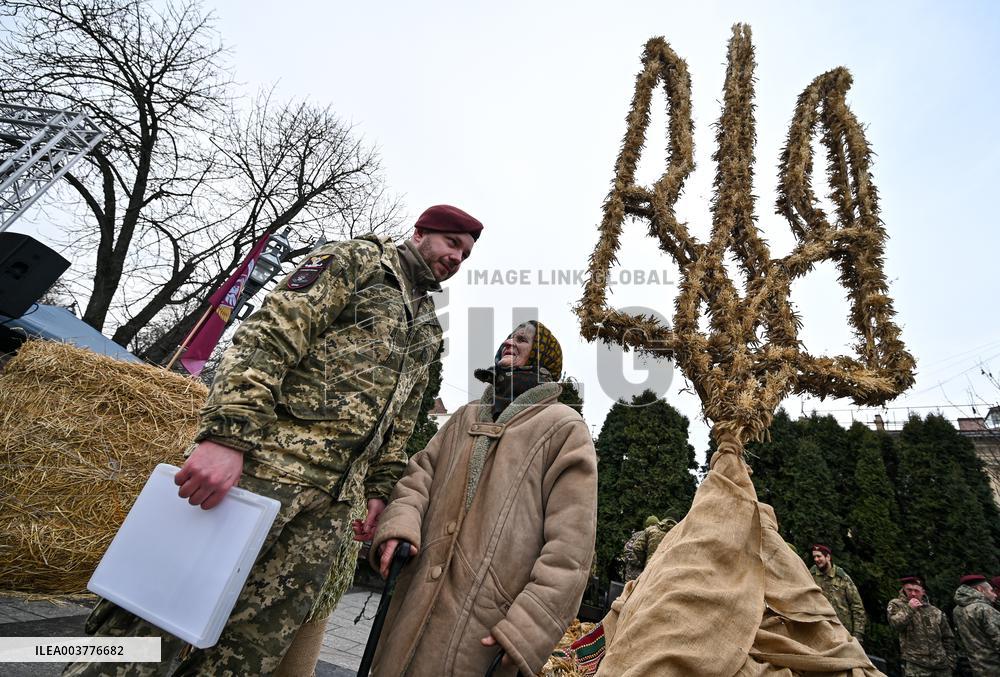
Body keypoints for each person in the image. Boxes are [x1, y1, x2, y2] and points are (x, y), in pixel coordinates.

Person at [64, 205, 482, 677]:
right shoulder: (357, 262)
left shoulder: (425, 322)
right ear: (422, 232)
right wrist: (227, 436)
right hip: (263, 470)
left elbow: (403, 414)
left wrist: (378, 489)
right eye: (452, 244)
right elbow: (270, 337)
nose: (456, 259)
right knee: (151, 622)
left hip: (328, 507)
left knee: (249, 650)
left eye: (464, 254)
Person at [367, 320, 598, 676]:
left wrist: (528, 627)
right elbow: (418, 477)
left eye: (522, 339)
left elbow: (571, 550)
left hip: (487, 627)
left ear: (543, 358)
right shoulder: (464, 417)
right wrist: (401, 525)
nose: (509, 342)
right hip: (413, 605)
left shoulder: (564, 428)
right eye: (508, 336)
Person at [886, 575, 956, 676]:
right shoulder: (897, 604)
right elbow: (895, 624)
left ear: (923, 591)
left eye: (916, 590)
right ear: (904, 589)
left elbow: (948, 637)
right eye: (909, 590)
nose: (913, 594)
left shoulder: (934, 611)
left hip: (941, 666)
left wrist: (951, 662)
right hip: (916, 665)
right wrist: (910, 609)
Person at [809, 544, 867, 642]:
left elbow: (857, 606)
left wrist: (858, 634)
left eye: (819, 556)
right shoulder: (811, 576)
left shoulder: (842, 578)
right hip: (818, 630)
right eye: (814, 557)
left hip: (842, 632)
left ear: (828, 557)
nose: (816, 559)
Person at [952, 574, 1000, 677]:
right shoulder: (984, 609)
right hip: (994, 667)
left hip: (975, 667)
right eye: (991, 591)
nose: (995, 595)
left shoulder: (957, 610)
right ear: (980, 589)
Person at [621, 515, 675, 581]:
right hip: (635, 574)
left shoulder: (661, 534)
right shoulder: (638, 535)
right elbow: (628, 551)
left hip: (646, 573)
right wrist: (641, 561)